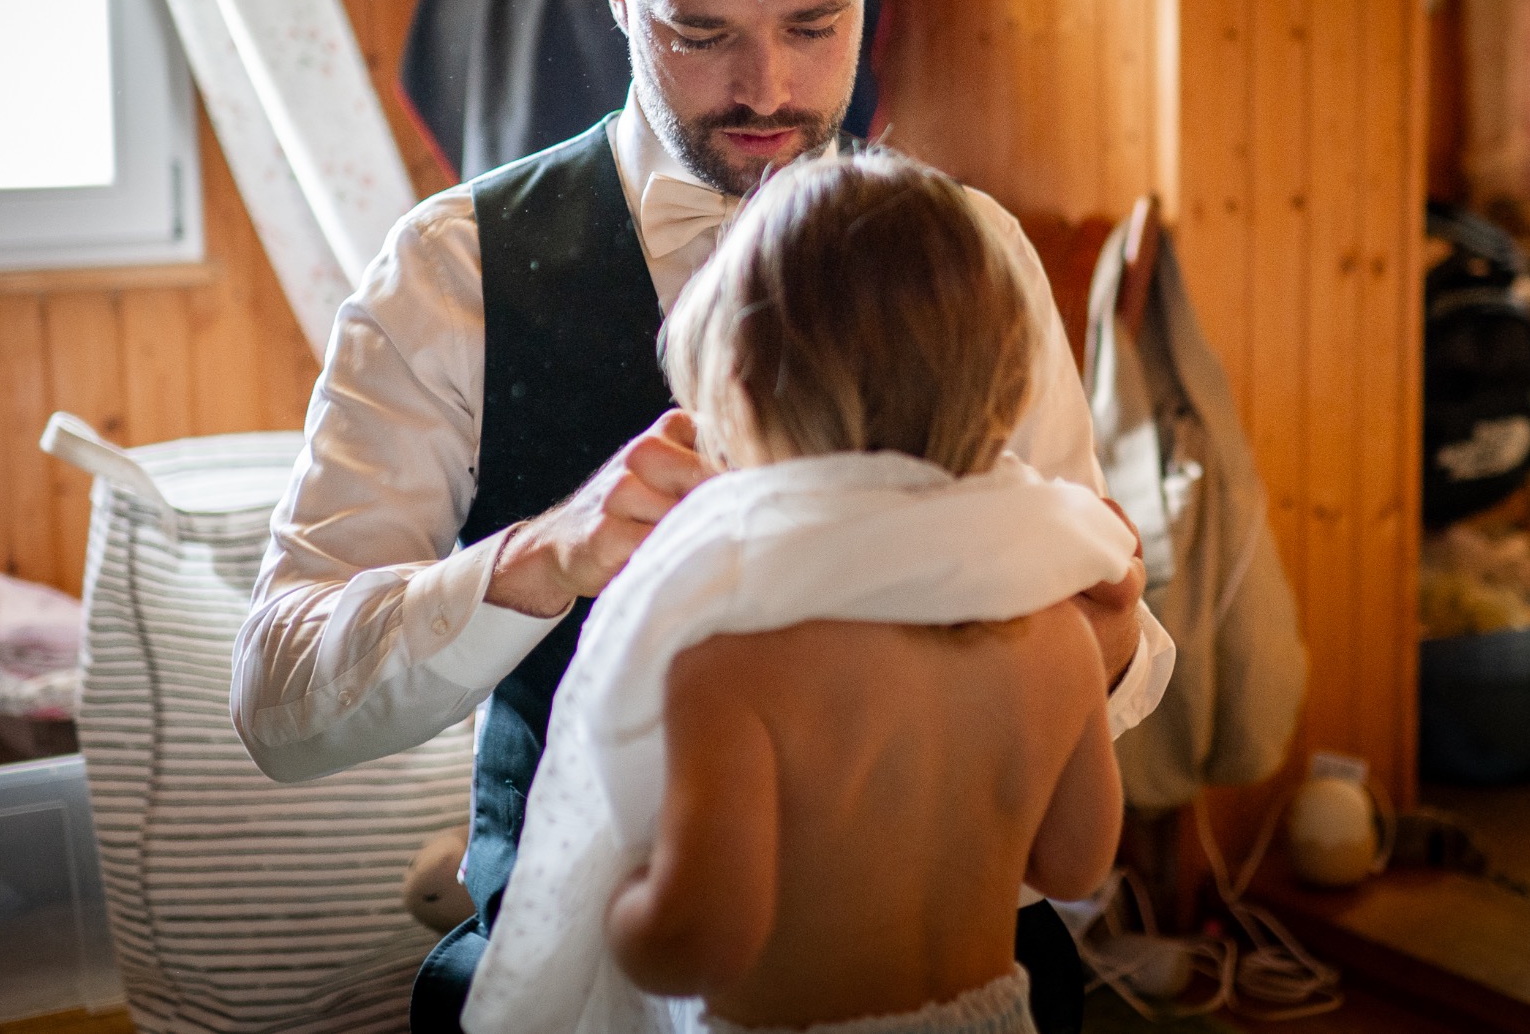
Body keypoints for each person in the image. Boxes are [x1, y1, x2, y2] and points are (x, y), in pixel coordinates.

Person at [230, 0, 1173, 1034]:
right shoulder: (452, 274)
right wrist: (540, 558)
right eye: (700, 31)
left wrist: (1101, 632)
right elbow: (278, 702)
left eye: (814, 23)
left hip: (948, 967)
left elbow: (1109, 655)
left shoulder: (973, 255)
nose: (767, 88)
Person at [459, 153, 1126, 1034]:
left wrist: (613, 895)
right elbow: (1075, 866)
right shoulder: (1057, 638)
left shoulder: (734, 669)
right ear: (1007, 383)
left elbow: (696, 945)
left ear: (737, 395)